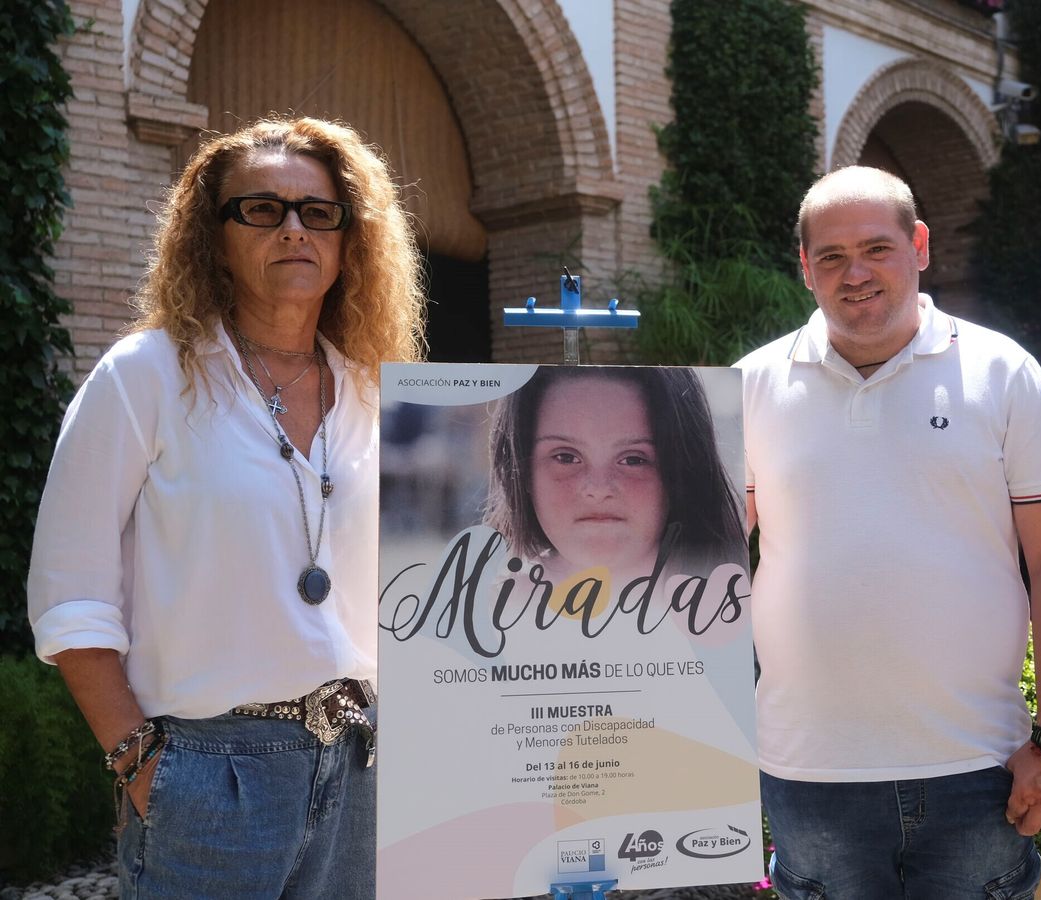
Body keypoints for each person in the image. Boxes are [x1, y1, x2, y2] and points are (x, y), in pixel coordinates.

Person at [28, 116, 425, 899]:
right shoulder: (146, 376)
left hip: (362, 763)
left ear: (350, 240)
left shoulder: (377, 395)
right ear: (212, 237)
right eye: (261, 208)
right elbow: (70, 593)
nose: (292, 230)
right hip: (210, 773)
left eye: (318, 212)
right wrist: (138, 761)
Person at [739, 166, 1041, 899]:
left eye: (876, 247)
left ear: (920, 246)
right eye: (831, 256)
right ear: (805, 267)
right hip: (811, 774)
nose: (855, 272)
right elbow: (687, 569)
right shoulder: (747, 386)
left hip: (979, 768)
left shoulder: (1003, 373)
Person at [484, 365, 746, 584]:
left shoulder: (751, 612)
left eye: (633, 460)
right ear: (523, 472)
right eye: (566, 457)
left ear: (682, 470)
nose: (598, 489)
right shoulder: (482, 624)